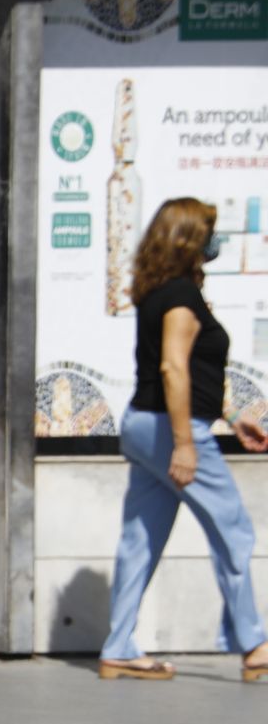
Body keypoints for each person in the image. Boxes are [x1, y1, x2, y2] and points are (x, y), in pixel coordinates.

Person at [100, 198, 268, 683]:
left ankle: (118, 647)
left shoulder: (158, 291)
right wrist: (186, 444)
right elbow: (173, 369)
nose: (215, 243)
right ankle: (254, 644)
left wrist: (233, 416)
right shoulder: (179, 297)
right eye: (209, 233)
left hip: (144, 426)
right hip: (171, 431)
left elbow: (188, 370)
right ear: (190, 240)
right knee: (233, 531)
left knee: (141, 538)